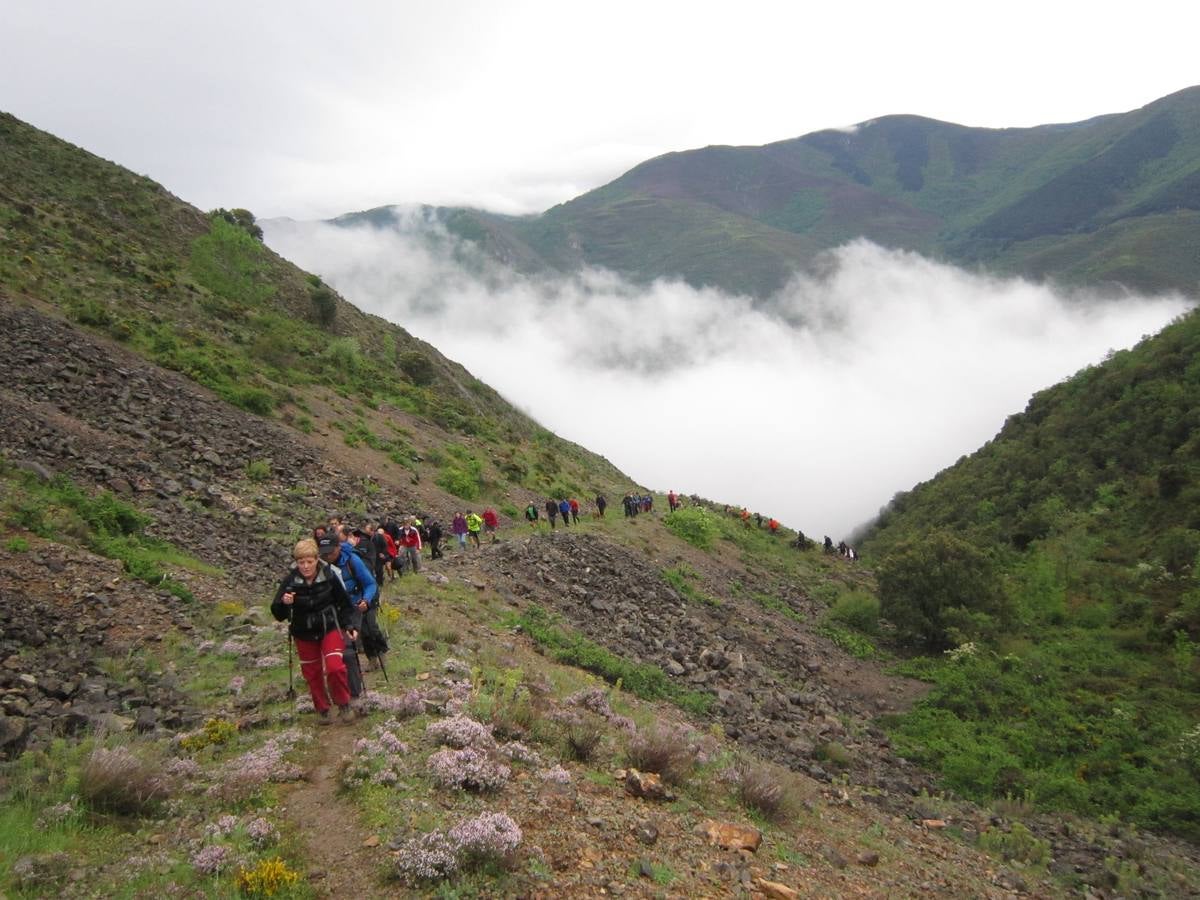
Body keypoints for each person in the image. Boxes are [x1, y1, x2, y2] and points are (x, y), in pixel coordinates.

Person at [271, 538, 360, 725]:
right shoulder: (290, 581)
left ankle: (344, 703)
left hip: (329, 626)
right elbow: (278, 613)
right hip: (303, 632)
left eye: (309, 561)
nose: (305, 566)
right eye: (300, 562)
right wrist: (283, 603)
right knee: (312, 674)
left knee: (335, 667)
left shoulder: (328, 575)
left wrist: (350, 625)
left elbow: (344, 603)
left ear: (316, 559)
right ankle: (323, 709)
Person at [323, 531, 381, 687]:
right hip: (338, 609)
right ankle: (349, 680)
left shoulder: (352, 560)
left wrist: (366, 600)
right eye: (324, 553)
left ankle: (374, 657)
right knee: (345, 646)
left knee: (369, 632)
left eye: (330, 552)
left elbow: (370, 583)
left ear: (338, 548)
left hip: (357, 603)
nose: (327, 556)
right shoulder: (322, 565)